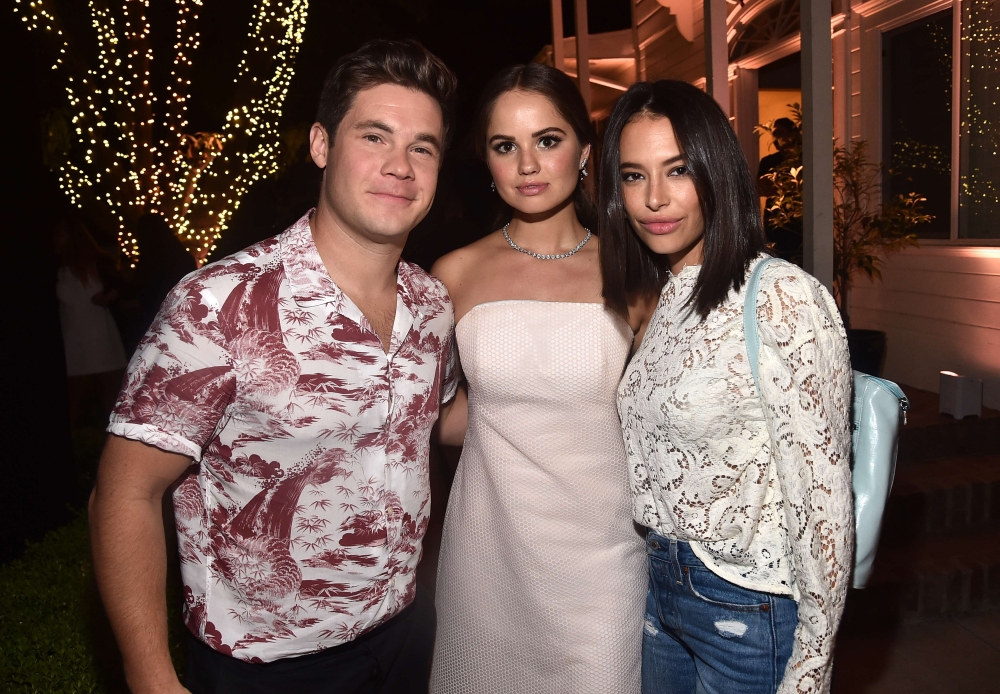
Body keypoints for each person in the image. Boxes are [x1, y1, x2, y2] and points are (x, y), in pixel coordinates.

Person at [89, 40, 459, 694]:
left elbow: (433, 424)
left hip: (405, 635)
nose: (400, 165)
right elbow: (125, 492)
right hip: (264, 668)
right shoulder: (218, 302)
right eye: (374, 136)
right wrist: (148, 673)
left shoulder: (432, 306)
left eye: (422, 147)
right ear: (321, 145)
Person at [600, 80, 853, 694]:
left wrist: (812, 666)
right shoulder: (664, 297)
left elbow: (822, 500)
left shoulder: (781, 297)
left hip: (747, 608)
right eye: (634, 176)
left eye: (678, 170)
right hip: (663, 592)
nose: (655, 199)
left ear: (717, 171)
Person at [429, 63, 653, 694]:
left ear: (584, 151)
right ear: (488, 162)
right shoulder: (455, 273)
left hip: (605, 560)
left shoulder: (632, 270)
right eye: (506, 146)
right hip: (489, 552)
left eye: (547, 140)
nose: (527, 164)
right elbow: (444, 413)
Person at [53, 216, 129, 427]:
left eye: (59, 235)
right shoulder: (58, 268)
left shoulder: (98, 263)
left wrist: (110, 295)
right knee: (74, 398)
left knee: (111, 398)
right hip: (73, 340)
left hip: (99, 337)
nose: (55, 240)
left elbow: (123, 287)